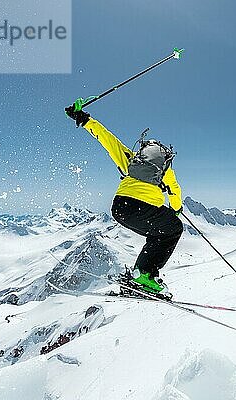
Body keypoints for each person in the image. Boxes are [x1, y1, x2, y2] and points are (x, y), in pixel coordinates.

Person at [65, 103, 183, 295]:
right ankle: (145, 277)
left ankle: (139, 275)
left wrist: (84, 119)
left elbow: (107, 139)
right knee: (172, 229)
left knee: (157, 234)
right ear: (165, 157)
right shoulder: (165, 170)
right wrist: (176, 210)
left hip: (120, 208)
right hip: (143, 209)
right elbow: (174, 192)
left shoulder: (132, 159)